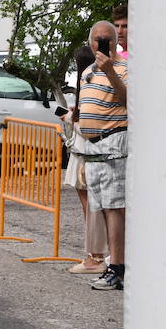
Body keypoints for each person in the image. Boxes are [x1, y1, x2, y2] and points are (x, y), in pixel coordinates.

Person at [71, 21, 129, 292]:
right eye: (98, 39)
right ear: (90, 43)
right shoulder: (87, 73)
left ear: (116, 42)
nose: (102, 44)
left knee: (115, 208)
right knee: (103, 208)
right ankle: (111, 262)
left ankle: (118, 267)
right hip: (92, 148)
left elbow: (130, 101)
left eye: (108, 39)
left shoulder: (125, 69)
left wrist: (110, 72)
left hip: (113, 145)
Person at [62, 44, 108, 274]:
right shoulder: (100, 83)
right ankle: (96, 255)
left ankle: (95, 257)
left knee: (91, 209)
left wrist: (70, 118)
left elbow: (90, 128)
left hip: (86, 156)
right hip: (89, 155)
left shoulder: (88, 85)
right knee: (93, 208)